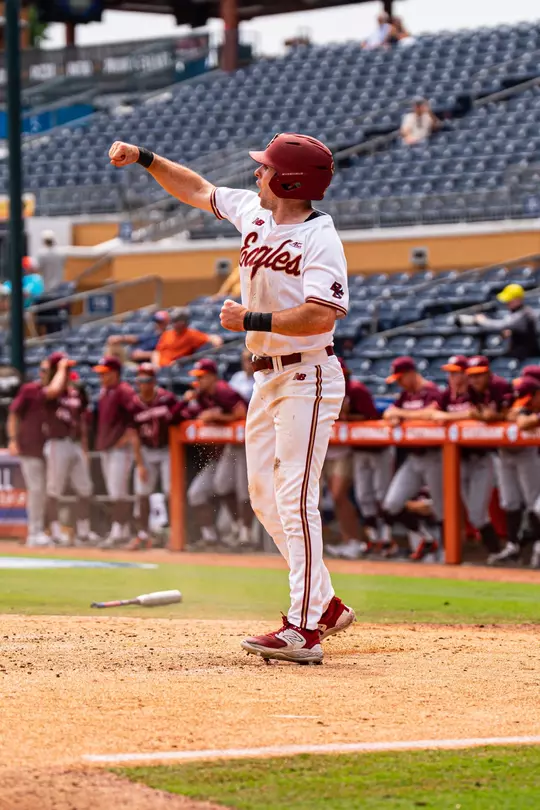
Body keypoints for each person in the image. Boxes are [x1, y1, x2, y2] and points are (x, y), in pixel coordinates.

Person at [109, 131, 355, 664]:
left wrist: (252, 318)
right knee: (264, 497)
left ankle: (303, 628)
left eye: (265, 168)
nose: (256, 174)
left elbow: (322, 313)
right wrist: (148, 158)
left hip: (308, 375)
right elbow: (197, 190)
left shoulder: (320, 238)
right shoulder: (254, 211)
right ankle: (325, 603)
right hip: (268, 379)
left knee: (293, 497)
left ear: (289, 180)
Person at [430, 355, 500, 557]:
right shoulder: (447, 395)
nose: (453, 377)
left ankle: (498, 551)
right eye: (450, 374)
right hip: (459, 460)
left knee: (478, 512)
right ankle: (464, 549)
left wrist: (448, 417)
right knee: (463, 510)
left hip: (482, 457)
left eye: (457, 373)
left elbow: (479, 414)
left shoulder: (473, 393)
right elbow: (433, 414)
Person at [381, 357, 444, 561]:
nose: (399, 383)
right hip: (414, 457)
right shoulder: (406, 394)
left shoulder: (431, 390)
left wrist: (403, 413)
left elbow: (433, 413)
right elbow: (390, 412)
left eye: (401, 378)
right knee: (391, 505)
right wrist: (396, 414)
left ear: (410, 373)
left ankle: (446, 553)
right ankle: (426, 539)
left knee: (443, 510)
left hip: (435, 456)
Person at [7, 356, 72, 547]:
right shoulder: (30, 390)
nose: (42, 373)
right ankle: (34, 532)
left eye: (46, 370)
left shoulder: (59, 394)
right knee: (36, 490)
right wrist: (12, 439)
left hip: (47, 449)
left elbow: (55, 391)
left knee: (46, 491)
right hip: (30, 447)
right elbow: (13, 414)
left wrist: (61, 372)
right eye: (41, 370)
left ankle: (43, 529)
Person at [184, 358, 249, 547]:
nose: (198, 381)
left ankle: (244, 533)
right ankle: (235, 529)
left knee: (245, 491)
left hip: (244, 445)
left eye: (201, 377)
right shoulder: (203, 395)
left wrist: (218, 417)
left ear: (212, 376)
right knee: (221, 486)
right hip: (226, 449)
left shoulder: (223, 390)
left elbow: (242, 414)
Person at [43, 352, 98, 547]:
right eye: (64, 367)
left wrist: (84, 447)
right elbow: (52, 391)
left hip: (74, 444)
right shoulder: (49, 390)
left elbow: (82, 421)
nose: (68, 371)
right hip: (57, 443)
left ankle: (83, 532)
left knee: (85, 489)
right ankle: (55, 533)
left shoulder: (75, 393)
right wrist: (59, 370)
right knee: (54, 490)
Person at [92, 355, 145, 548]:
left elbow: (137, 415)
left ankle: (118, 531)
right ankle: (121, 530)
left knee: (118, 492)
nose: (101, 377)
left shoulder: (123, 390)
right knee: (115, 492)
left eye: (104, 373)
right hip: (107, 447)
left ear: (115, 373)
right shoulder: (105, 391)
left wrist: (128, 436)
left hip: (121, 450)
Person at [130, 363, 184, 549]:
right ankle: (143, 534)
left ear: (154, 381)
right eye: (140, 380)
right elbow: (134, 436)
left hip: (167, 449)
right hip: (146, 450)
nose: (143, 384)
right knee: (142, 492)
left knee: (171, 491)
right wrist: (139, 464)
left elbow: (179, 419)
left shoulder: (166, 399)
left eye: (146, 380)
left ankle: (175, 534)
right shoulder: (134, 404)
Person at [472, 284, 540, 361]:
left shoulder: (524, 314)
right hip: (519, 356)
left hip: (527, 358)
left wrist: (483, 321)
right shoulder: (517, 312)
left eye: (509, 300)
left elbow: (502, 325)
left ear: (517, 299)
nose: (507, 303)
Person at [152, 307, 223, 368]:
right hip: (160, 368)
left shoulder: (191, 334)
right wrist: (155, 365)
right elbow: (157, 351)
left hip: (175, 368)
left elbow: (213, 338)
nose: (177, 323)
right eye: (175, 321)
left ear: (185, 322)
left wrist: (217, 345)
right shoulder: (167, 334)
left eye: (179, 320)